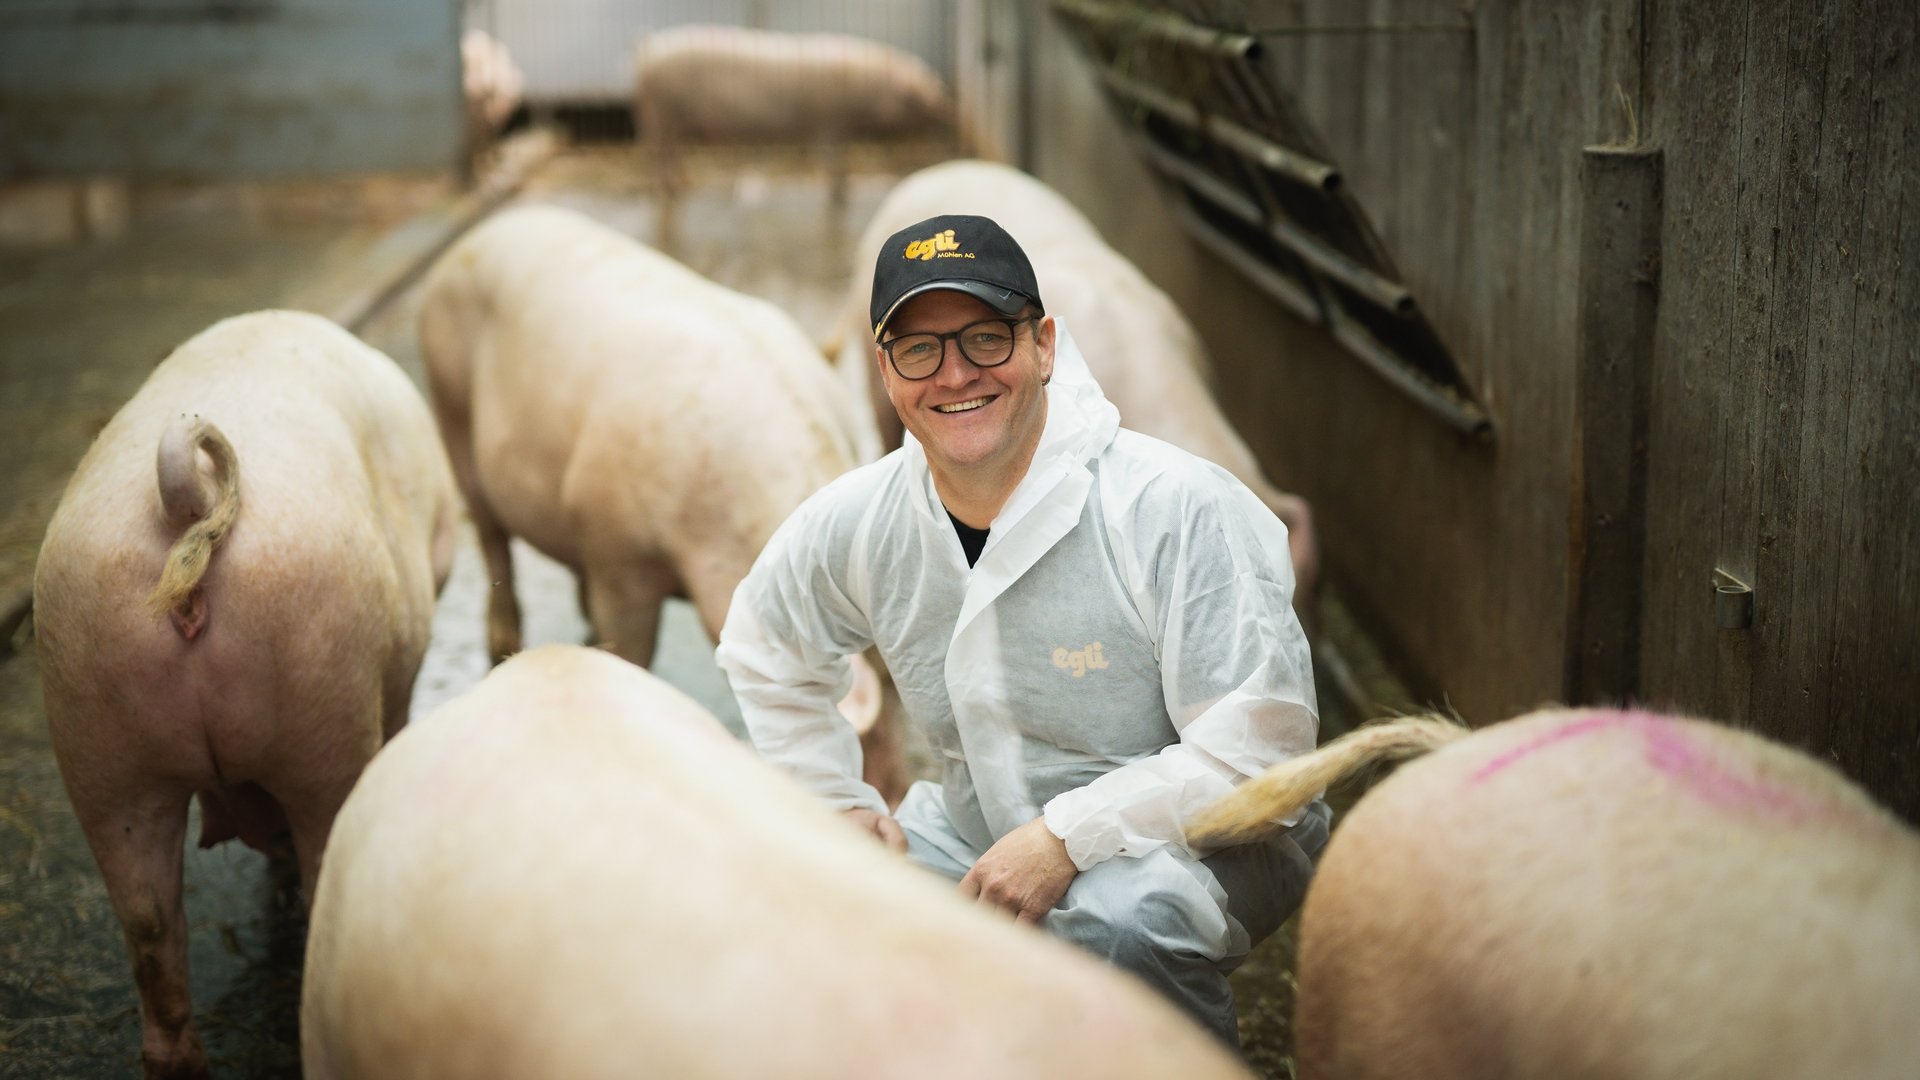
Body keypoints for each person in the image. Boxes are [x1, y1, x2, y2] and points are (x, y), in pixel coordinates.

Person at [716, 213, 1329, 1044]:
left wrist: (1064, 838)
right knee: (821, 911)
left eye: (985, 338)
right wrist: (833, 802)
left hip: (1205, 841)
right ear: (886, 371)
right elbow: (765, 643)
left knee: (1119, 923)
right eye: (919, 349)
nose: (954, 374)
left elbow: (1261, 752)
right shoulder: (863, 521)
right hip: (978, 827)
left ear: (1043, 345)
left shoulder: (1171, 506)